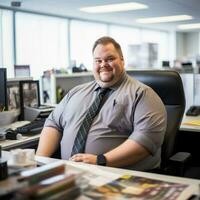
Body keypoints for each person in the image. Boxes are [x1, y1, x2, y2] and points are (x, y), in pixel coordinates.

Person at [36, 36, 167, 171]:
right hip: (70, 175)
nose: (103, 64)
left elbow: (145, 140)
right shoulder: (76, 93)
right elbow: (53, 124)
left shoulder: (143, 94)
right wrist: (39, 161)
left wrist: (101, 160)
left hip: (119, 176)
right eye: (98, 60)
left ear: (122, 60)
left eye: (110, 59)